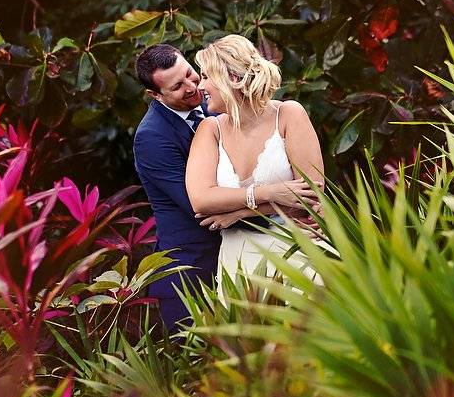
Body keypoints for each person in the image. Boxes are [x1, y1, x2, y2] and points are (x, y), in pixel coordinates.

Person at [184, 34, 324, 289]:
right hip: (238, 259)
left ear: (234, 79)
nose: (200, 86)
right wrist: (272, 193)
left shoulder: (289, 114)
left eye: (206, 76)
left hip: (295, 251)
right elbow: (201, 200)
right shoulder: (209, 129)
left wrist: (239, 211)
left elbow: (310, 197)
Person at [133, 44, 218, 333]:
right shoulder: (152, 137)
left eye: (191, 75)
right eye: (178, 86)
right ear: (155, 95)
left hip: (232, 254)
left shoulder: (212, 105)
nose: (192, 87)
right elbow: (198, 202)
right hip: (190, 268)